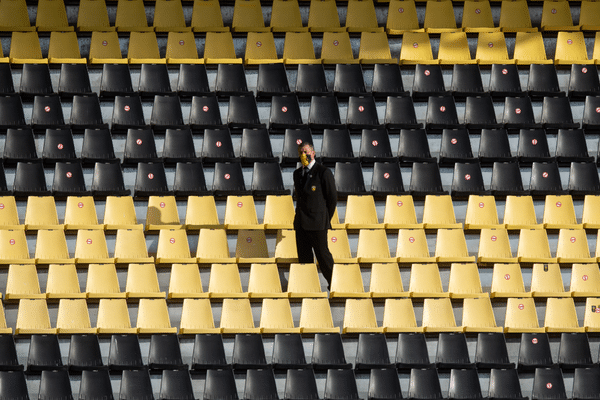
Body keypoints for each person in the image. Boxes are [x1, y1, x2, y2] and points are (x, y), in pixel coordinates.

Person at [293, 141, 337, 289]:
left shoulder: (323, 172)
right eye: (301, 153)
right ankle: (308, 288)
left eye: (306, 152)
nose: (304, 155)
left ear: (313, 153)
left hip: (317, 223)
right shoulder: (297, 174)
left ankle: (336, 285)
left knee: (323, 256)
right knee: (304, 259)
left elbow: (332, 199)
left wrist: (324, 218)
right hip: (301, 223)